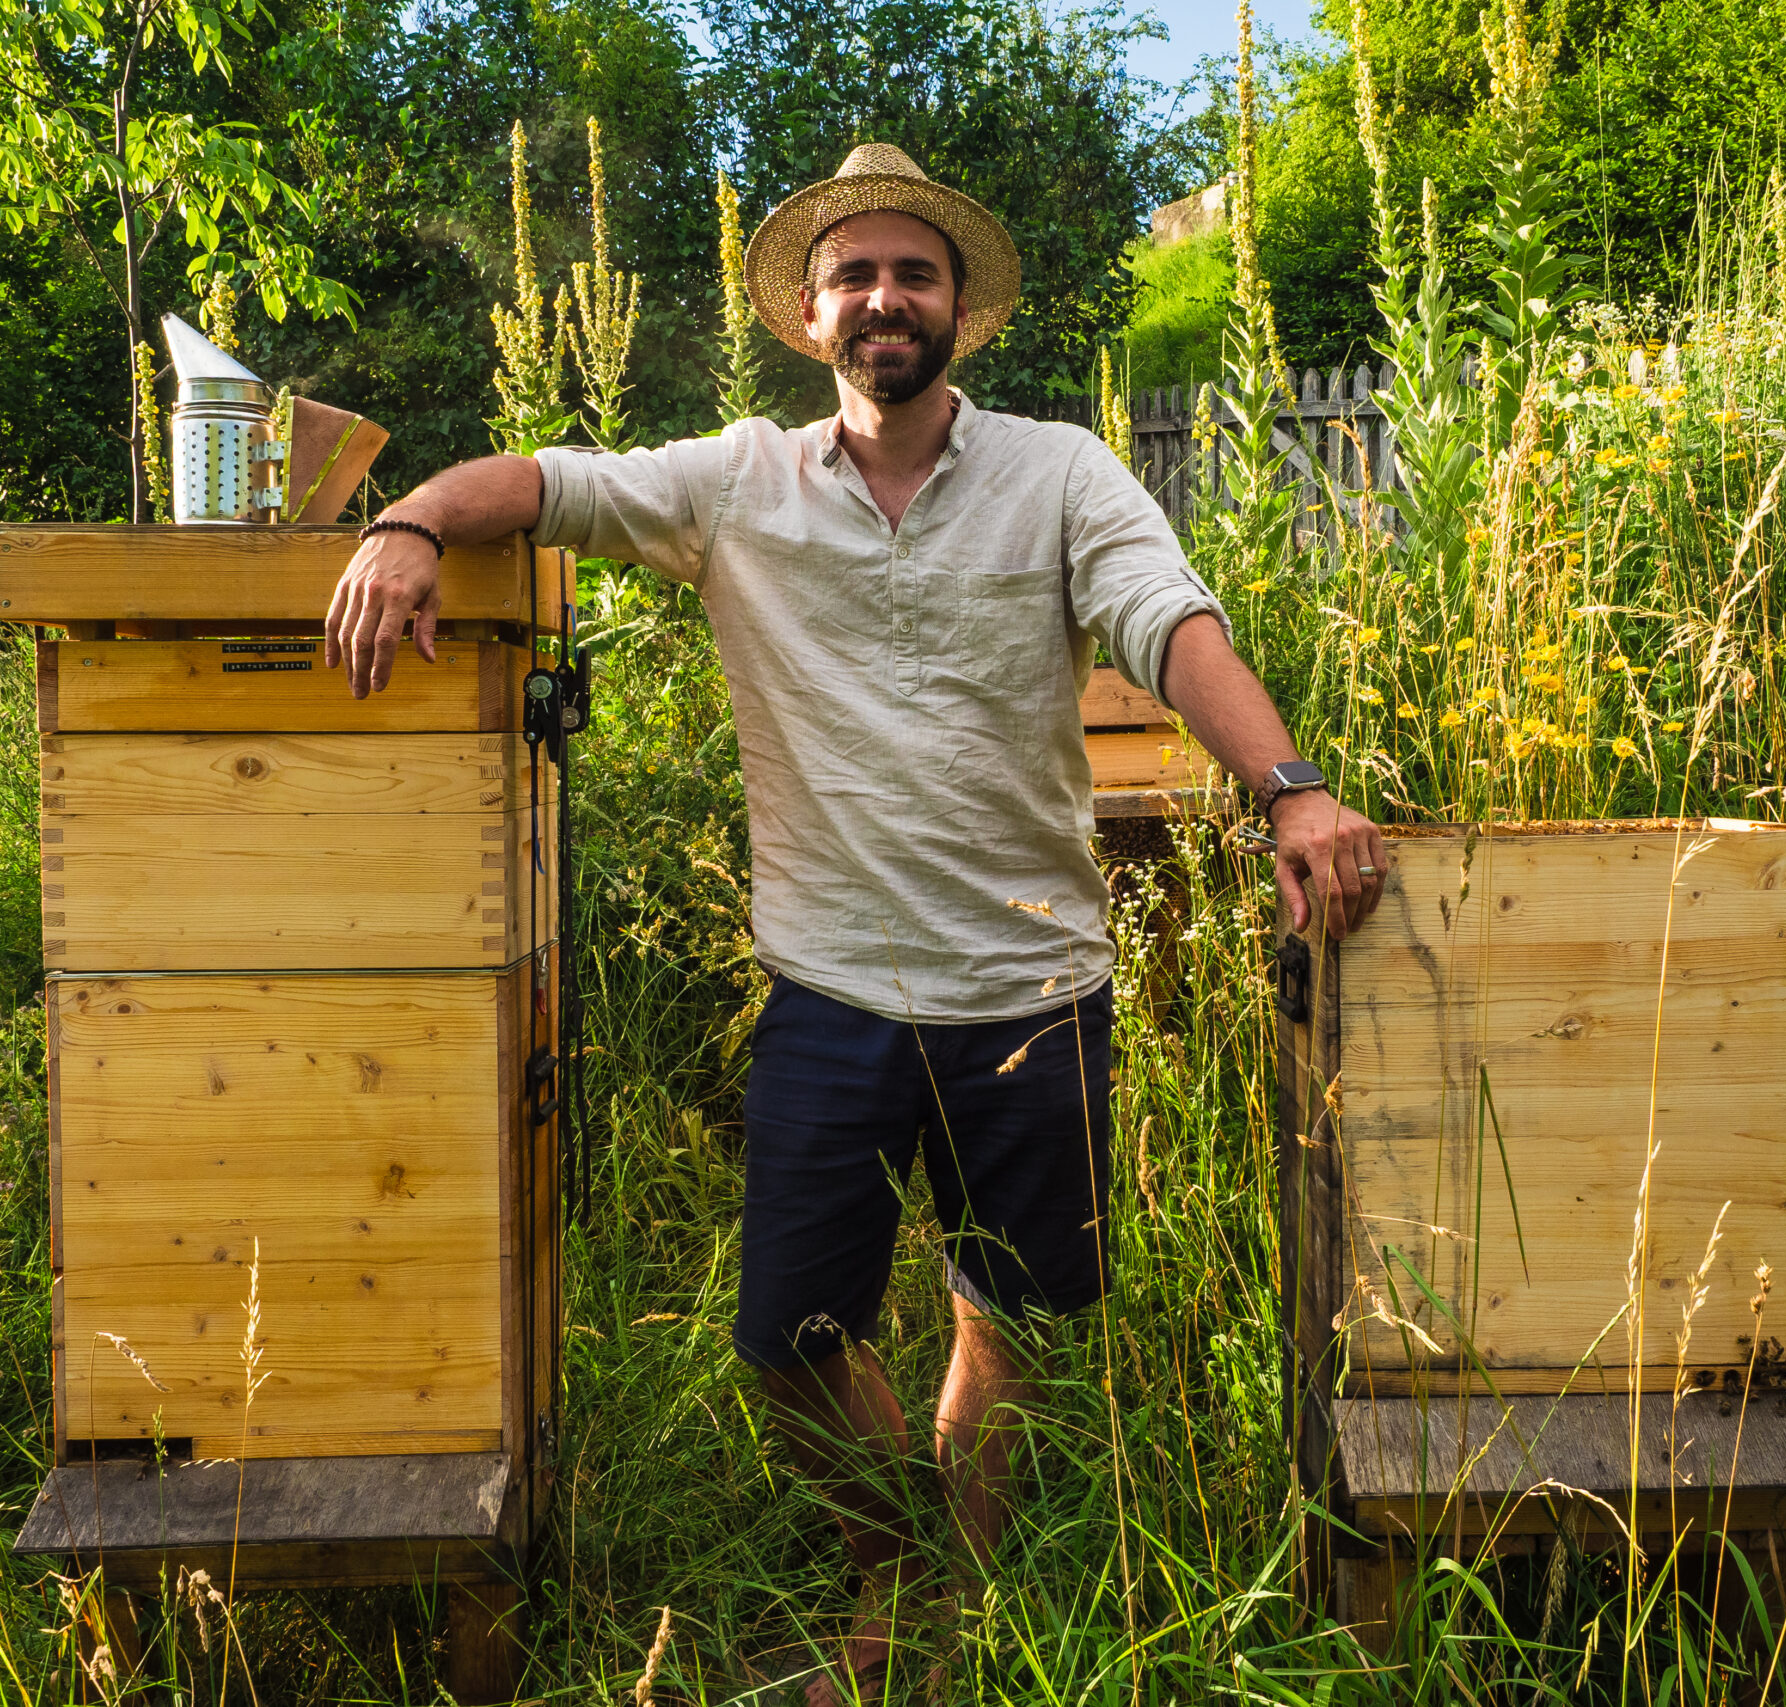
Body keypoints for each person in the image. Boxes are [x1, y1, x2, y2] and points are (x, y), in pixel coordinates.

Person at [325, 143, 1389, 1703]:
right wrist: (409, 521)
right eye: (857, 277)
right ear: (811, 316)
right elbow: (546, 484)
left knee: (1011, 1320)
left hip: (1032, 983)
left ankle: (926, 1630)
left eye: (915, 273)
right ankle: (899, 1560)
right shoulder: (733, 482)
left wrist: (1290, 787)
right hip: (832, 989)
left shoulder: (1062, 470)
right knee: (789, 1335)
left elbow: (1170, 625)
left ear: (958, 306)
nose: (887, 298)